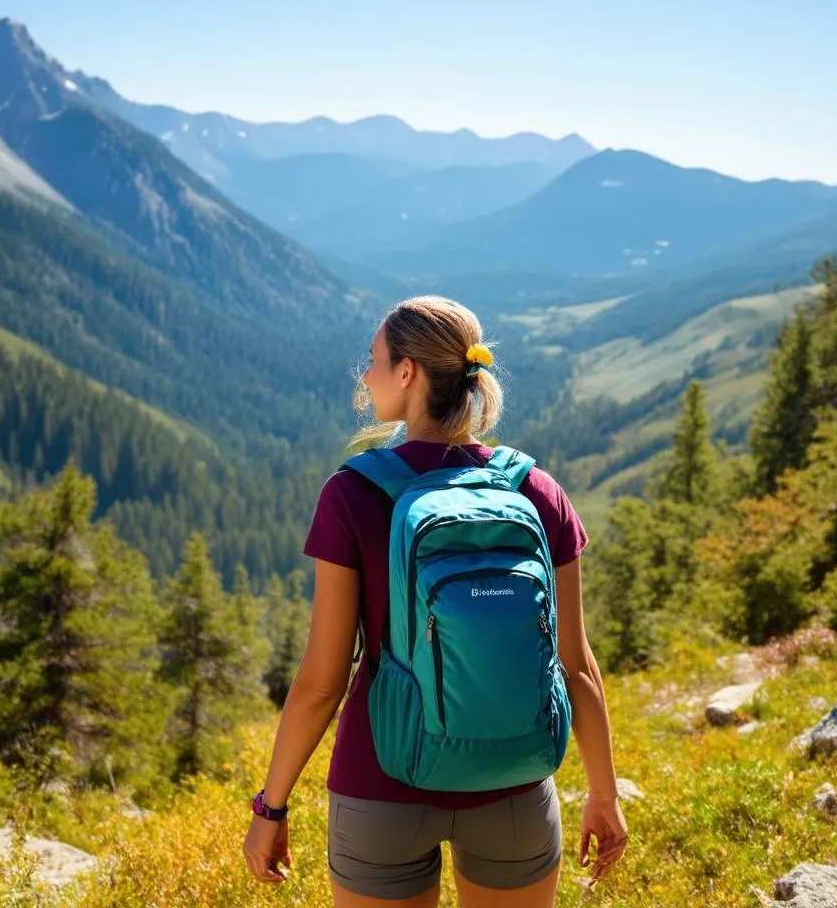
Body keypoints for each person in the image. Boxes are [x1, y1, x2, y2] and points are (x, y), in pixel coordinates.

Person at [243, 295, 628, 906]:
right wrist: (602, 795)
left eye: (372, 360)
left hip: (382, 784)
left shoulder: (353, 494)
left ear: (408, 373)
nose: (365, 376)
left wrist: (272, 804)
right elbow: (574, 663)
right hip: (514, 783)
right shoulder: (536, 490)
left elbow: (322, 681)